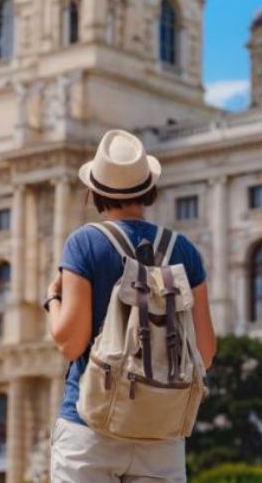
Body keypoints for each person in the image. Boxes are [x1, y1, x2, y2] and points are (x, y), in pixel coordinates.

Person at [44, 129, 216, 482]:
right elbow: (205, 352)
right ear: (149, 188)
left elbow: (70, 342)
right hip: (161, 430)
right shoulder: (183, 250)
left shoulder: (85, 244)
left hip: (91, 424)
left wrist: (53, 300)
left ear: (94, 192)